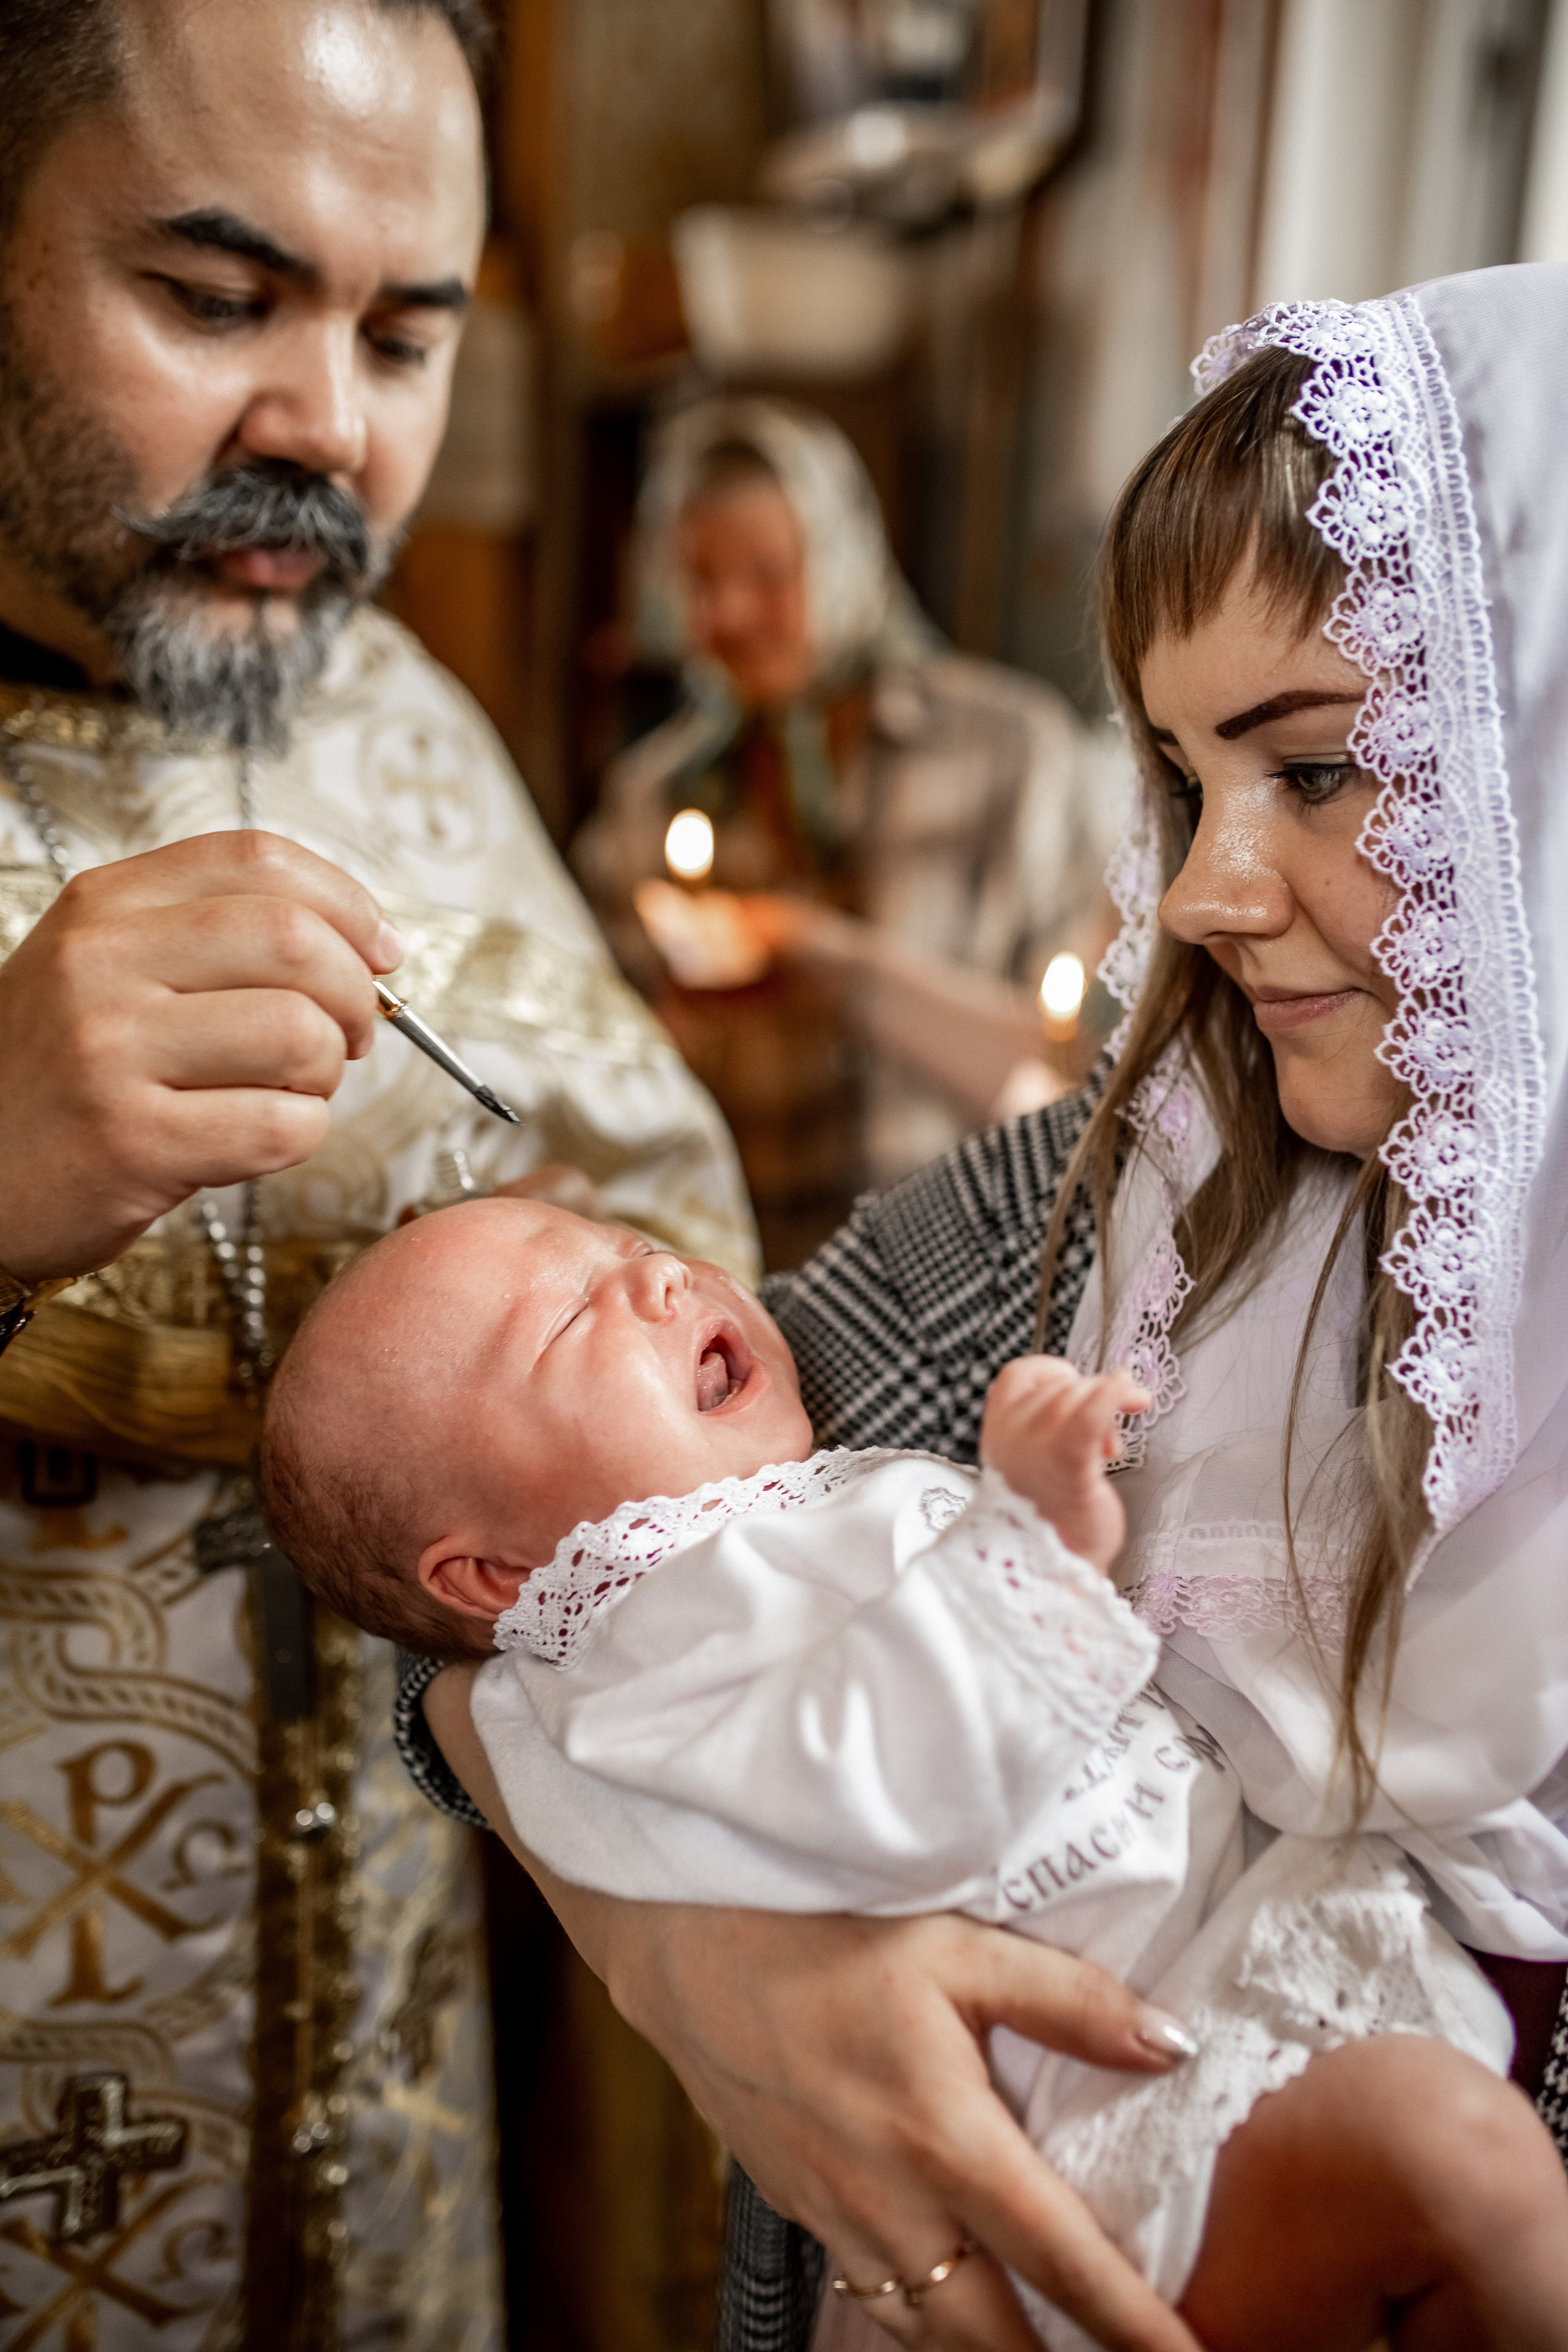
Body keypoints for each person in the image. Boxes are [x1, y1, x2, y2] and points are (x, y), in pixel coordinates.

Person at [397, 263, 1568, 2352]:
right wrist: (703, 1950)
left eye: (1310, 771)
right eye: (1186, 776)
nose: (1205, 890)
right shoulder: (1123, 1207)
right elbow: (495, 1561)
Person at [0, 6, 755, 2347]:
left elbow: (684, 1280)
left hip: (400, 2098)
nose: (327, 429)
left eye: (406, 334)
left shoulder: (395, 716)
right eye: (215, 299)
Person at [264, 1194, 1567, 2351]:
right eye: (561, 1325)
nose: (660, 1280)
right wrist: (1024, 1535)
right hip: (1105, 2133)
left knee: (1453, 2184)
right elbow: (876, 1784)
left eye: (630, 1246)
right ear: (494, 1580)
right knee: (1447, 2165)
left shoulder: (759, 1524)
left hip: (1212, 2003)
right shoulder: (653, 1623)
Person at [573, 398, 1132, 1265]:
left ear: (840, 559)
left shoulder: (1011, 753)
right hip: (743, 1272)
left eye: (767, 573)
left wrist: (831, 961)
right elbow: (602, 1051)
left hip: (976, 1264)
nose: (729, 614)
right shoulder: (651, 796)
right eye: (699, 579)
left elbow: (1073, 1052)